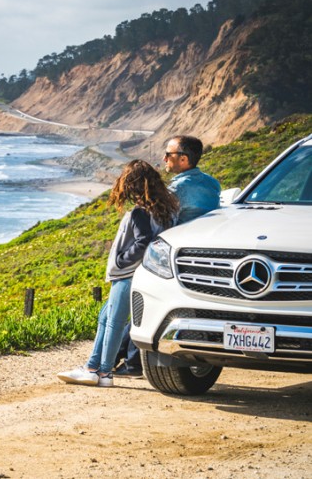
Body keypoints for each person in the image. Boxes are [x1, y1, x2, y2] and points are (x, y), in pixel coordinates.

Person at [57, 159, 179, 388]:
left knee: (114, 322)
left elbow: (142, 242)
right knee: (105, 318)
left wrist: (122, 261)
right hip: (148, 273)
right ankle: (92, 366)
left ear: (132, 185)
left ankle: (103, 373)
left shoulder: (140, 213)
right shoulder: (167, 211)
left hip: (128, 274)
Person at [114, 134, 221, 377]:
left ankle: (127, 363)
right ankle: (122, 360)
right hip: (207, 255)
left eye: (169, 155)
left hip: (177, 257)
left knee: (151, 307)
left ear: (183, 159)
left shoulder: (176, 189)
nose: (164, 159)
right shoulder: (213, 183)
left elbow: (159, 218)